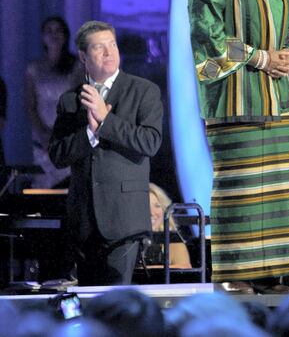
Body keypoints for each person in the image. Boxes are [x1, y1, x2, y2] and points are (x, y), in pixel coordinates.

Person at [188, 0, 289, 285]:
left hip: (274, 97)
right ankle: (236, 276)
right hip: (234, 100)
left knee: (275, 194)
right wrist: (261, 58)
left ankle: (275, 272)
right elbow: (208, 38)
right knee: (241, 192)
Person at [49, 20, 163, 285]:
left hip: (124, 220)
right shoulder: (70, 100)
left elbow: (150, 142)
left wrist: (105, 121)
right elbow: (57, 154)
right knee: (90, 308)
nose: (109, 53)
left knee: (115, 306)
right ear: (83, 56)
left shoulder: (143, 91)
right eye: (99, 48)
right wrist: (89, 134)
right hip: (84, 221)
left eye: (112, 45)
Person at [26, 16, 84, 188]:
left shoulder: (77, 67)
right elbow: (30, 105)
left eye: (58, 30)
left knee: (66, 187)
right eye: (49, 31)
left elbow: (79, 103)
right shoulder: (33, 68)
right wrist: (44, 135)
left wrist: (61, 134)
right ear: (43, 36)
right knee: (42, 187)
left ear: (65, 35)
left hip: (67, 136)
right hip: (42, 139)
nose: (54, 35)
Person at [145, 182, 192, 269]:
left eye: (157, 206)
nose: (152, 212)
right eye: (145, 206)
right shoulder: (127, 242)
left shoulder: (171, 239)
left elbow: (185, 268)